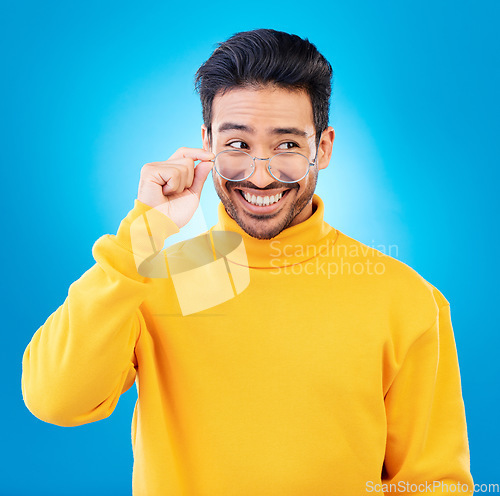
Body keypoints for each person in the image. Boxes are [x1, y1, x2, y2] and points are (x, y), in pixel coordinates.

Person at [21, 29, 473, 495]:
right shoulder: (151, 277)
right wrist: (141, 236)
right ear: (207, 143)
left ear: (323, 147)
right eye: (237, 145)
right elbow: (56, 400)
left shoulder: (406, 300)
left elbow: (434, 485)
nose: (260, 175)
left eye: (288, 145)